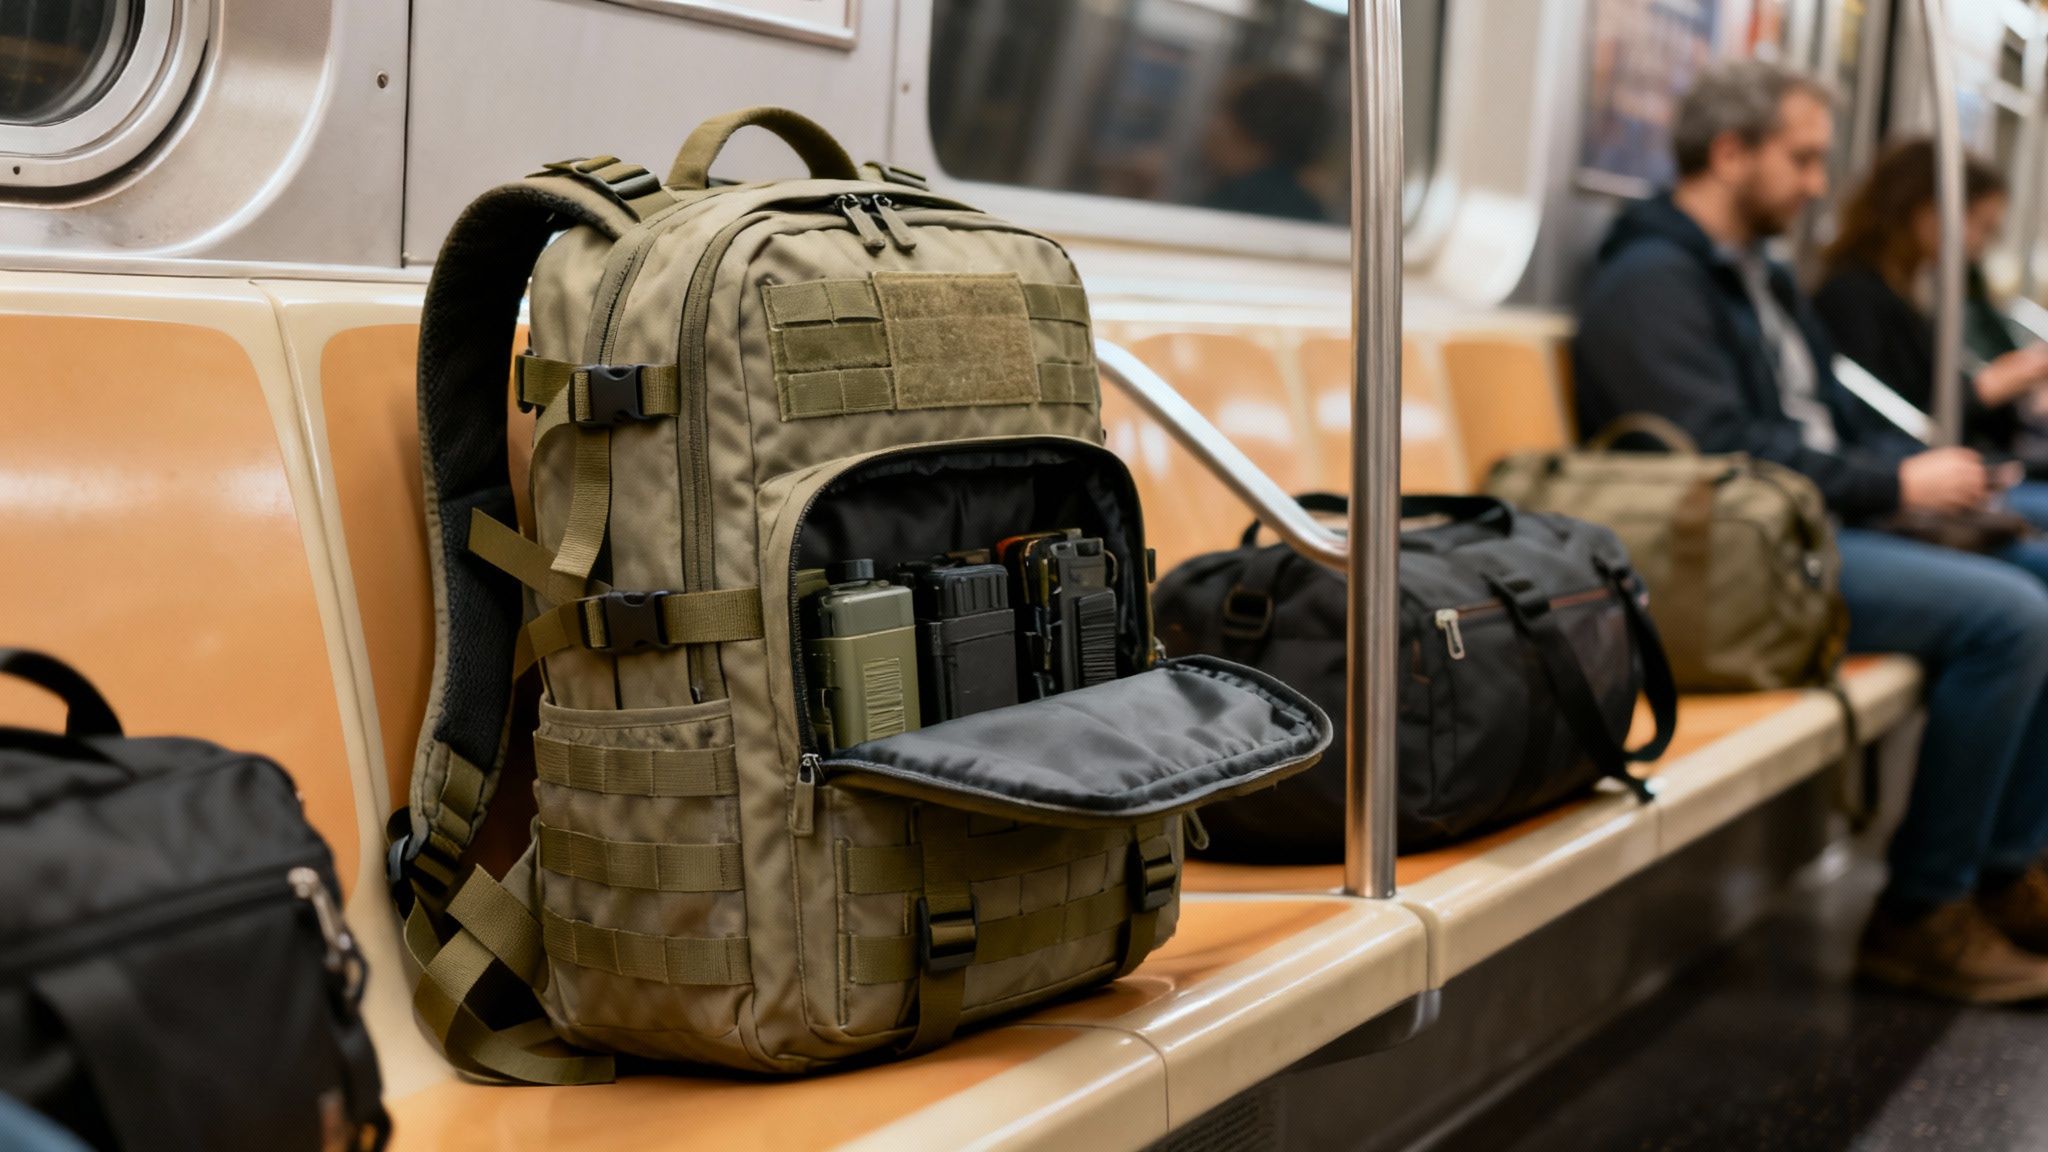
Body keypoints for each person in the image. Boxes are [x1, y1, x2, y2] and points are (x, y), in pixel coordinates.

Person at [1575, 58, 2048, 1004]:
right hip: (1746, 559)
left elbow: (1829, 413)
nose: (1817, 185)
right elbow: (1716, 455)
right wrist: (1889, 481)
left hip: (1809, 523)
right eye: (1801, 160)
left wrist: (1914, 483)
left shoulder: (1762, 278)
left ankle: (2006, 869)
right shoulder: (1652, 282)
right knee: (2012, 620)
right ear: (1729, 152)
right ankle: (1923, 909)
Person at [1814, 140, 2048, 458]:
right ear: (1927, 211)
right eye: (1982, 227)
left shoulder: (1912, 293)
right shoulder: (1850, 298)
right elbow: (1879, 425)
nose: (1984, 245)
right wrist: (1987, 388)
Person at [1200, 72, 1332, 222]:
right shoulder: (1304, 207)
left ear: (1243, 132)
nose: (1211, 126)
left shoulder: (1235, 204)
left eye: (1222, 112)